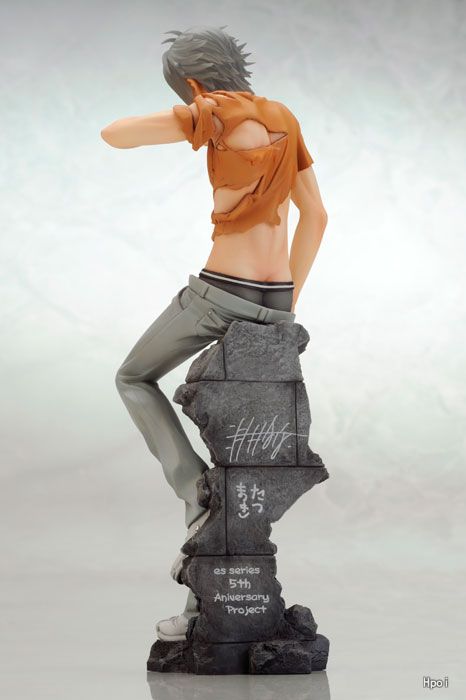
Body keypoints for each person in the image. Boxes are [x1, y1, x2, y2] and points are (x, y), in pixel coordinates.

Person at [101, 25, 328, 642]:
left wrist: (194, 111)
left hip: (219, 294)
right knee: (238, 461)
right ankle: (207, 599)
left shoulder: (213, 112)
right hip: (274, 302)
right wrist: (284, 309)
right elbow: (316, 215)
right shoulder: (284, 117)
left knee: (132, 377)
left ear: (194, 81)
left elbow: (114, 134)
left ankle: (192, 488)